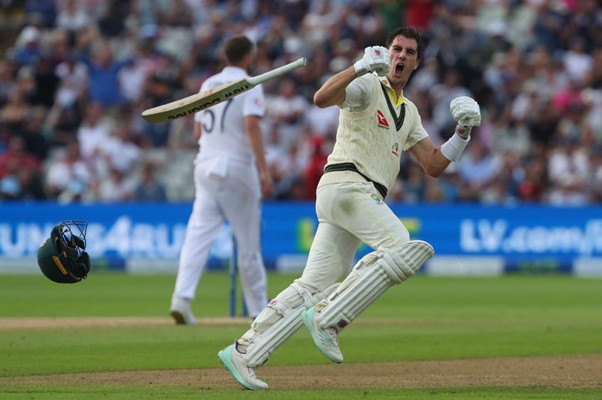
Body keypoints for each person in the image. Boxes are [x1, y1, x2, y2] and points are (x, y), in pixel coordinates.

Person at [216, 27, 481, 390]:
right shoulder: (368, 84)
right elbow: (322, 97)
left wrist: (462, 133)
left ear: (417, 62)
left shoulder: (411, 112)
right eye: (396, 49)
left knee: (312, 285)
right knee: (401, 247)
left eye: (408, 52)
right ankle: (329, 318)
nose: (400, 57)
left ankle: (244, 351)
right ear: (386, 53)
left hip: (352, 197)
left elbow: (433, 166)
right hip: (348, 184)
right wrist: (358, 67)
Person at [169, 35, 274, 325]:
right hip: (237, 167)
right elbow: (251, 124)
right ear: (248, 56)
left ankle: (181, 298)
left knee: (198, 235)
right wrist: (264, 170)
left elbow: (198, 133)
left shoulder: (207, 84)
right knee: (248, 242)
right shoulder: (251, 83)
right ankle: (259, 310)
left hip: (204, 164)